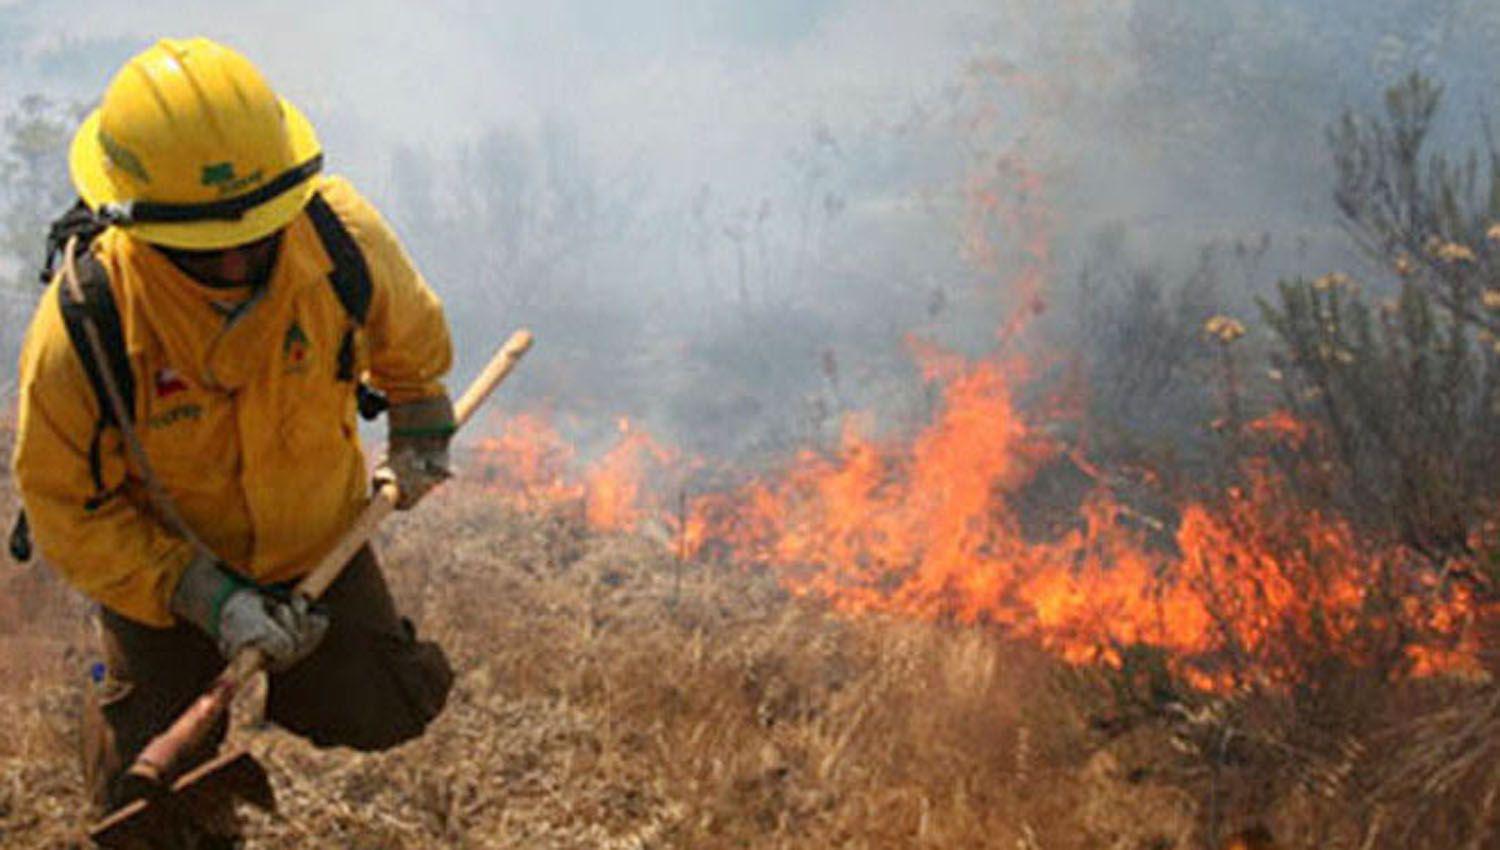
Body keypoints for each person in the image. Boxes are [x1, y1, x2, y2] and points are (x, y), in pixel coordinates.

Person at [11, 37, 457, 845]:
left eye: (257, 229)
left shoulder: (337, 235)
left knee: (389, 706)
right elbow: (65, 508)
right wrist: (203, 597)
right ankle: (129, 702)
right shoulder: (88, 320)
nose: (239, 256)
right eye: (205, 243)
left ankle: (310, 687)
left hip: (316, 544)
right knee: (139, 804)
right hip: (169, 574)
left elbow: (412, 340)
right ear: (137, 222)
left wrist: (420, 418)